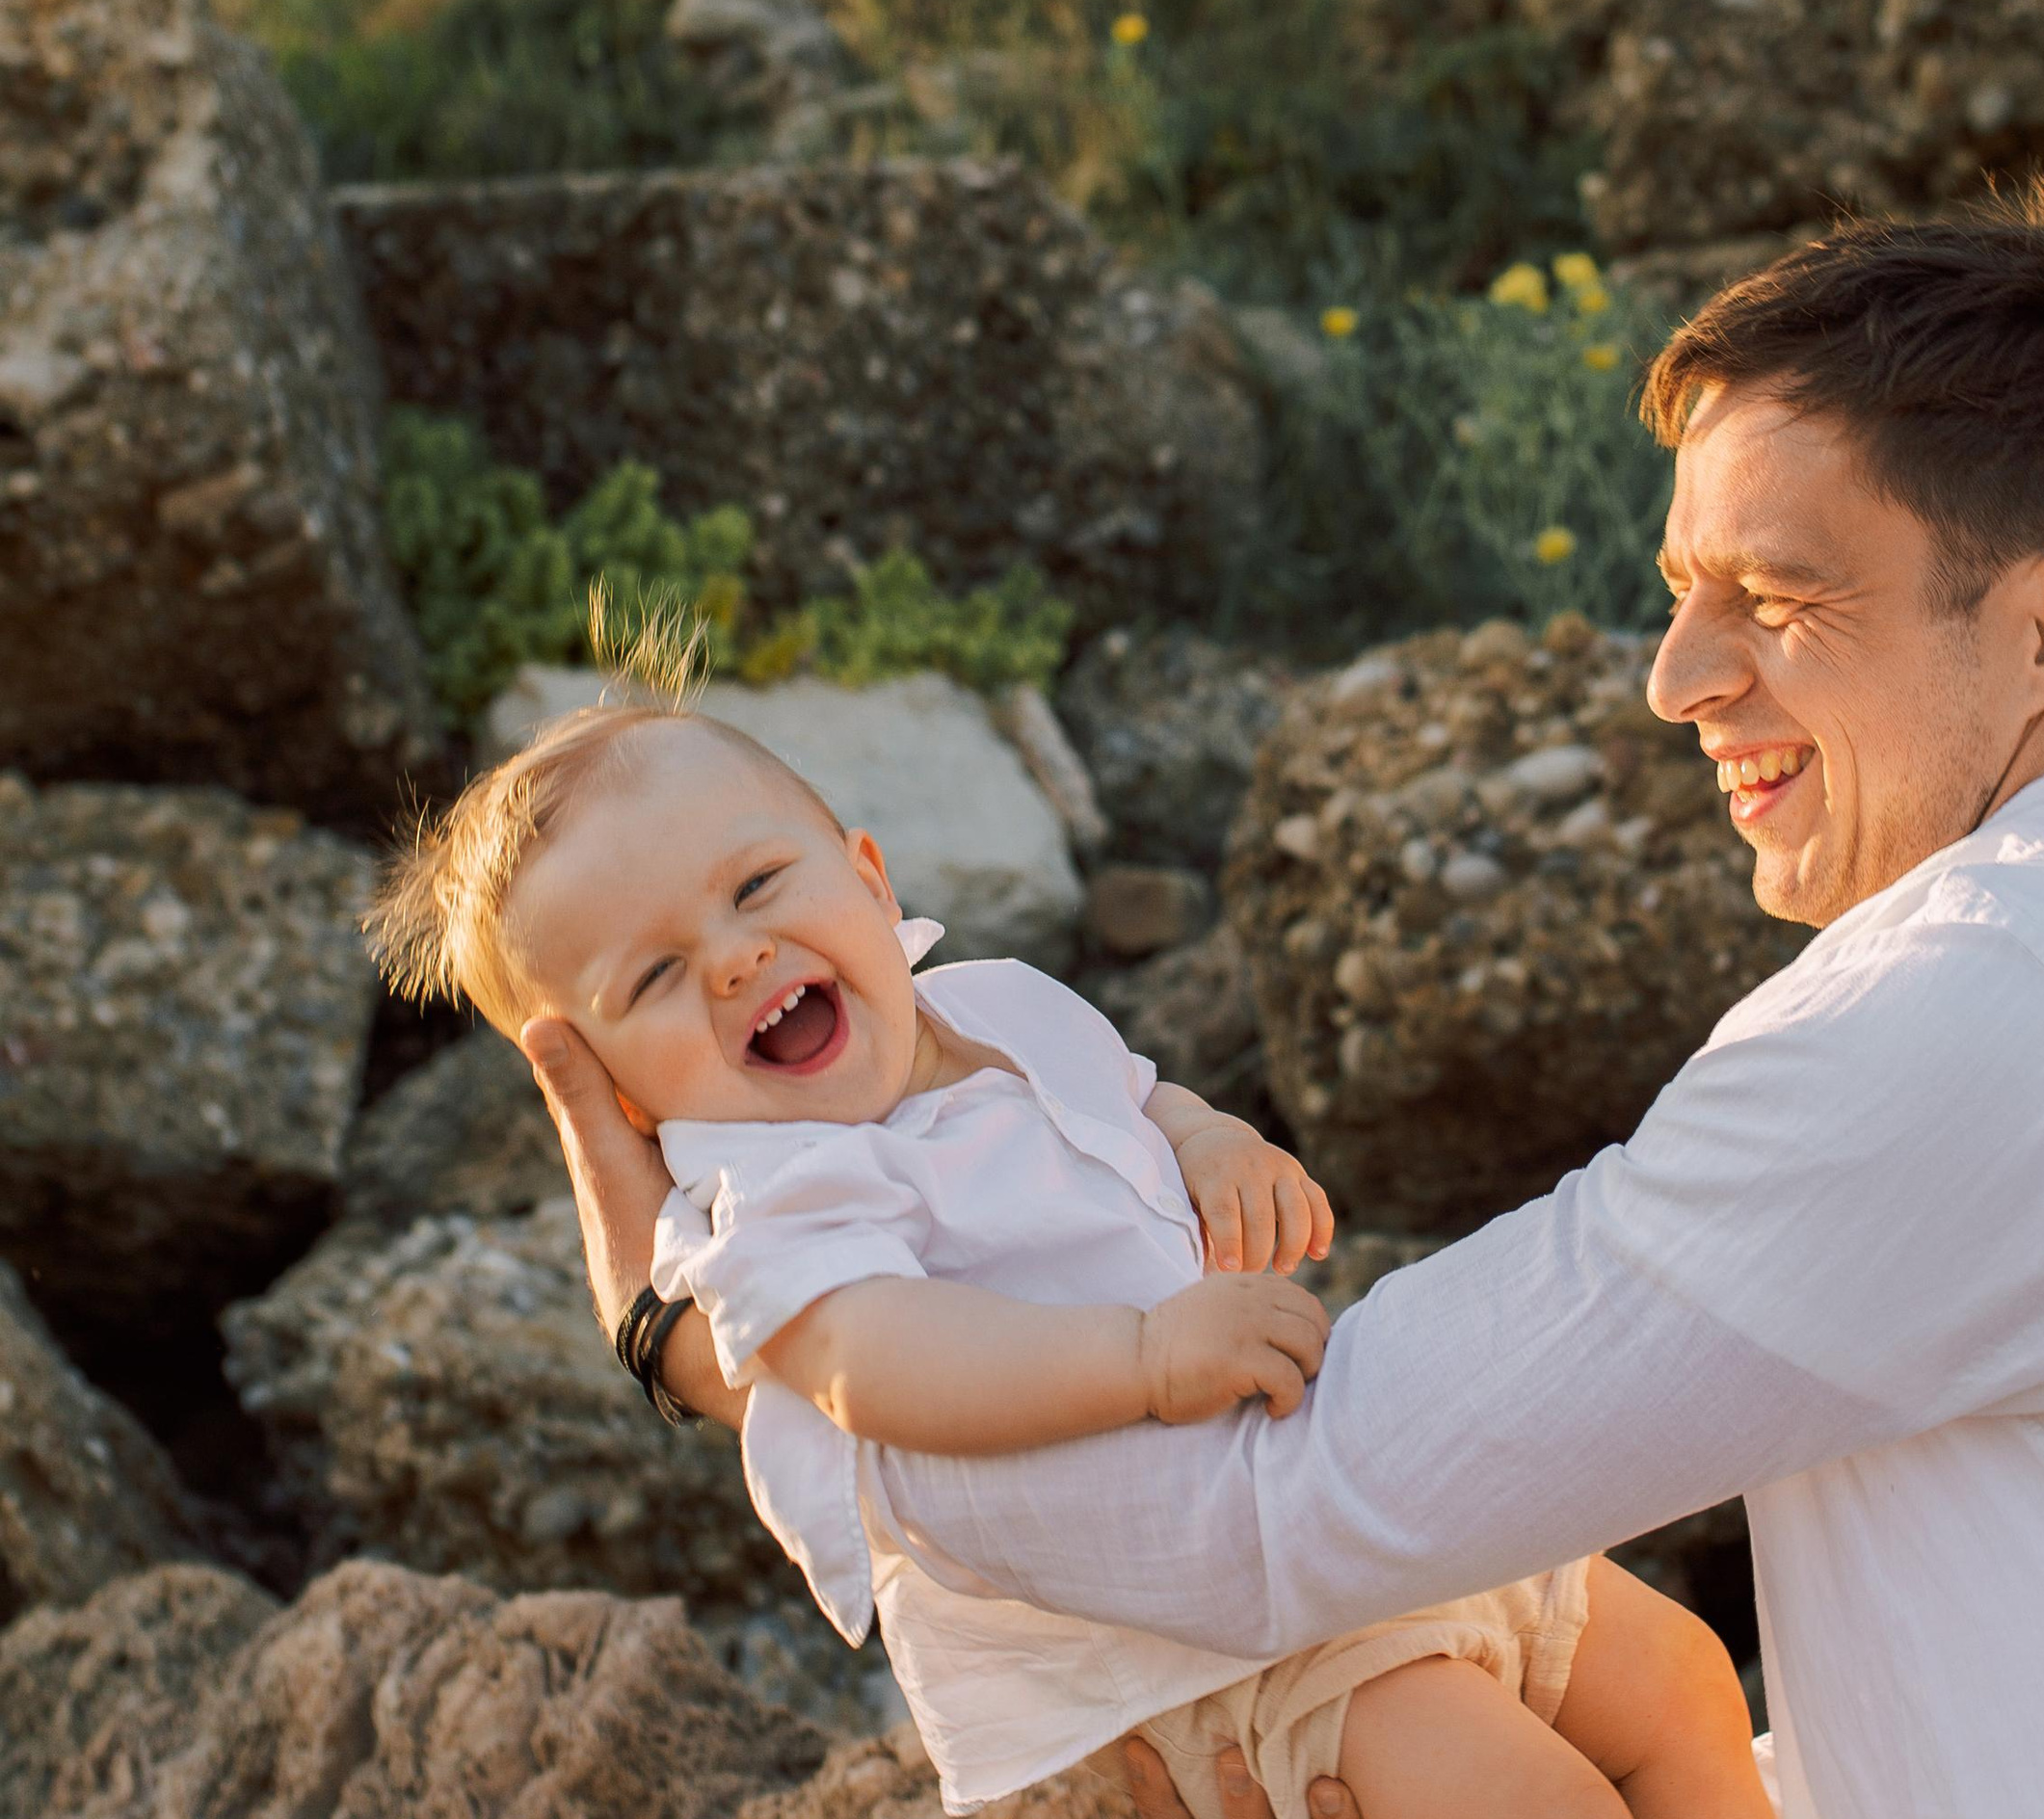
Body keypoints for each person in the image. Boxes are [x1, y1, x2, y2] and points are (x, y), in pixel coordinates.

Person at [526, 199, 2044, 1819]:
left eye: (1774, 598)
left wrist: (724, 1336)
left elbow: (1273, 1517)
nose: (1670, 675)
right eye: (1673, 589)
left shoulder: (1990, 1013)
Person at [367, 686, 1768, 1818]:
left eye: (755, 885)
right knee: (1522, 1795)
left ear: (867, 874)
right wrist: (1145, 1357)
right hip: (1191, 1648)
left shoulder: (997, 1000)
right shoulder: (778, 1193)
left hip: (1327, 1490)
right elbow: (871, 1363)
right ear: (621, 1100)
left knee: (1689, 1686)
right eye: (657, 978)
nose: (733, 958)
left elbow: (1137, 1093)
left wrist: (1216, 1144)